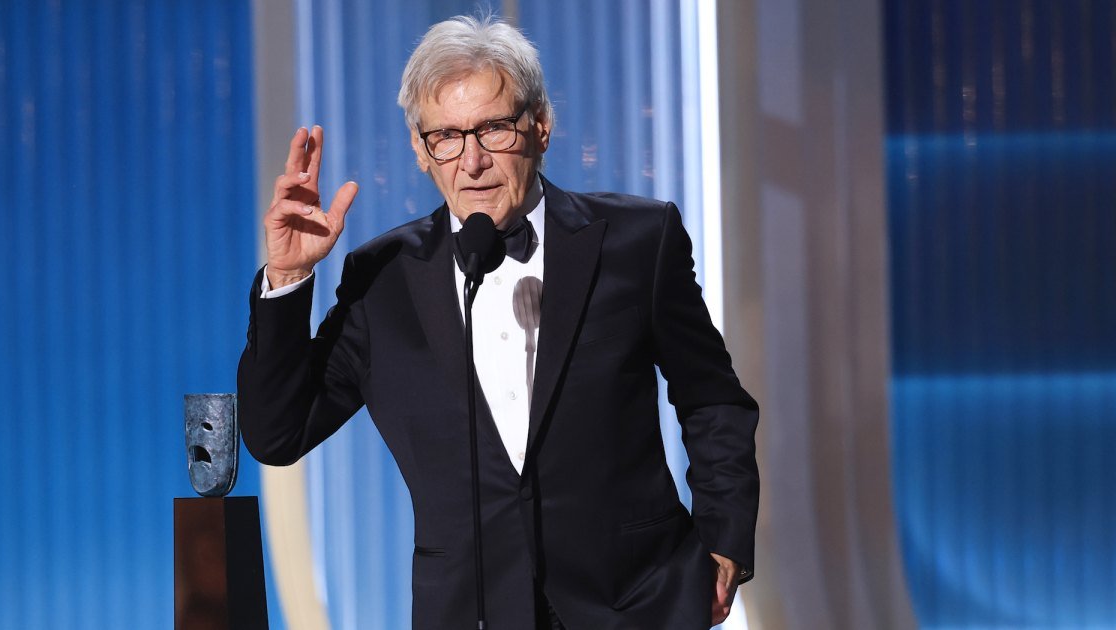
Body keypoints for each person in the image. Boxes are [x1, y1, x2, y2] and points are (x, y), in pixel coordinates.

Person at [237, 15, 759, 630]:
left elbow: (712, 399)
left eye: (493, 129)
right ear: (420, 151)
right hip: (470, 611)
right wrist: (288, 277)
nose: (473, 161)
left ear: (540, 126)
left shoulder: (639, 240)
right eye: (446, 137)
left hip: (639, 602)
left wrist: (723, 542)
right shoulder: (383, 278)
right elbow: (277, 434)